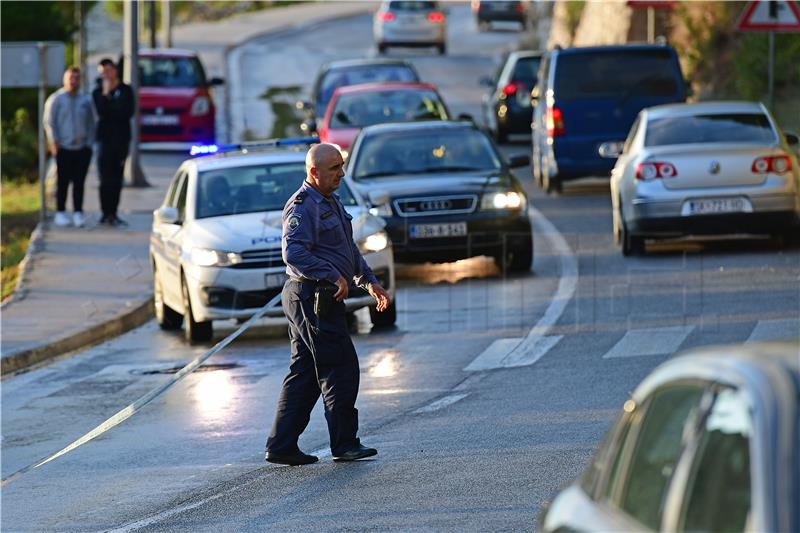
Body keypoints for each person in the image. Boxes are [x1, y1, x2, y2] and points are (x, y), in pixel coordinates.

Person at [265, 143, 391, 466]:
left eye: (341, 166)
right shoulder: (303, 206)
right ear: (313, 172)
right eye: (334, 168)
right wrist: (332, 274)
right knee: (340, 367)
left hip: (321, 296)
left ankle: (281, 444)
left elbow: (346, 249)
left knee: (306, 372)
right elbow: (293, 253)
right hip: (311, 296)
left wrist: (369, 281)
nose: (341, 173)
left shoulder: (330, 202)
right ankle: (345, 443)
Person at [43, 66, 95, 227]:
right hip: (63, 147)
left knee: (79, 182)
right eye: (70, 78)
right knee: (63, 182)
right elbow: (49, 122)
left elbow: (92, 123)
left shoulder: (85, 100)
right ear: (64, 79)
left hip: (82, 148)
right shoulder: (56, 99)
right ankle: (60, 212)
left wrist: (89, 144)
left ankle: (78, 212)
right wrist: (54, 141)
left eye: (76, 78)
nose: (73, 81)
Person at [92, 58, 134, 227]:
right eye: (102, 73)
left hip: (121, 140)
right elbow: (101, 111)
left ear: (115, 71)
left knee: (117, 178)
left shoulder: (126, 90)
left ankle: (114, 212)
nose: (105, 75)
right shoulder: (97, 92)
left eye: (108, 71)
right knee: (104, 178)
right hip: (104, 140)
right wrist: (106, 94)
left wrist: (111, 105)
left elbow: (126, 112)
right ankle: (105, 212)